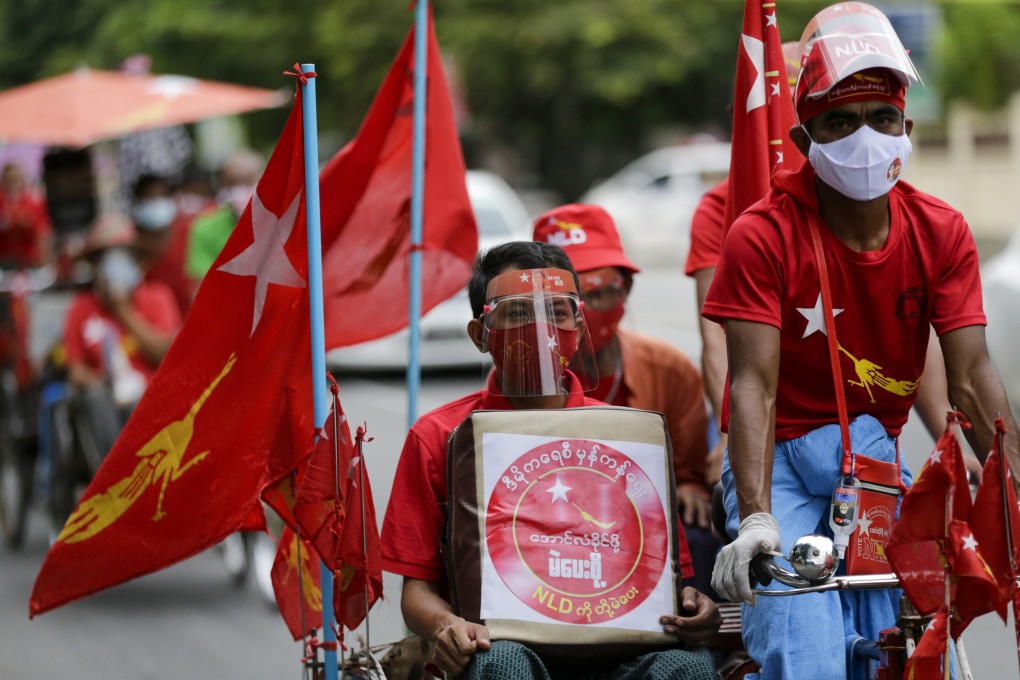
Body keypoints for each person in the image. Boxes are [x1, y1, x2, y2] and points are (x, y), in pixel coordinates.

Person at [703, 3, 1019, 679]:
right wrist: (757, 518)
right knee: (803, 646)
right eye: (840, 122)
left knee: (903, 646)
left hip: (871, 458)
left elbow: (970, 375)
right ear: (804, 135)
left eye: (881, 118)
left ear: (907, 127)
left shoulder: (942, 231)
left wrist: (1014, 489)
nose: (865, 137)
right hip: (778, 459)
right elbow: (750, 383)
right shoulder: (762, 234)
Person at [380, 241, 720, 680]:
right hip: (503, 647)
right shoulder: (439, 437)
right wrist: (447, 626)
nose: (540, 329)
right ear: (479, 334)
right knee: (500, 665)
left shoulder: (630, 436)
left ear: (578, 324)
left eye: (557, 312)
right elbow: (417, 592)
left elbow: (668, 582)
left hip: (620, 654)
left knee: (686, 668)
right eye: (518, 312)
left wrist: (694, 608)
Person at [532, 204, 719, 597]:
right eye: (565, 302)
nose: (585, 314)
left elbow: (690, 472)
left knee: (700, 537)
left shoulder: (668, 370)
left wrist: (688, 488)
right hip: (544, 524)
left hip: (641, 520)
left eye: (598, 294)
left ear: (626, 290)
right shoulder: (521, 381)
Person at [62, 213, 181, 459]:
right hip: (106, 403)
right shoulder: (81, 308)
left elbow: (165, 355)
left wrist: (121, 309)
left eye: (123, 256)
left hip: (151, 404)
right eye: (106, 258)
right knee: (96, 399)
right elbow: (75, 370)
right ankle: (113, 472)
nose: (115, 265)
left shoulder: (158, 298)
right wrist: (103, 383)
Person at [185, 149, 263, 286]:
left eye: (247, 181)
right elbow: (202, 287)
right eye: (232, 183)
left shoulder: (281, 224)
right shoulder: (205, 227)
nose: (239, 190)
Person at [131, 174, 194, 316]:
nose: (155, 202)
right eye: (148, 198)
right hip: (151, 326)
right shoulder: (129, 240)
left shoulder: (191, 233)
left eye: (161, 196)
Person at [0, 162, 53, 269]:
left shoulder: (33, 201)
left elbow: (43, 231)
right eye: (9, 180)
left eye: (16, 179)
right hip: (4, 257)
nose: (13, 184)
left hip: (29, 258)